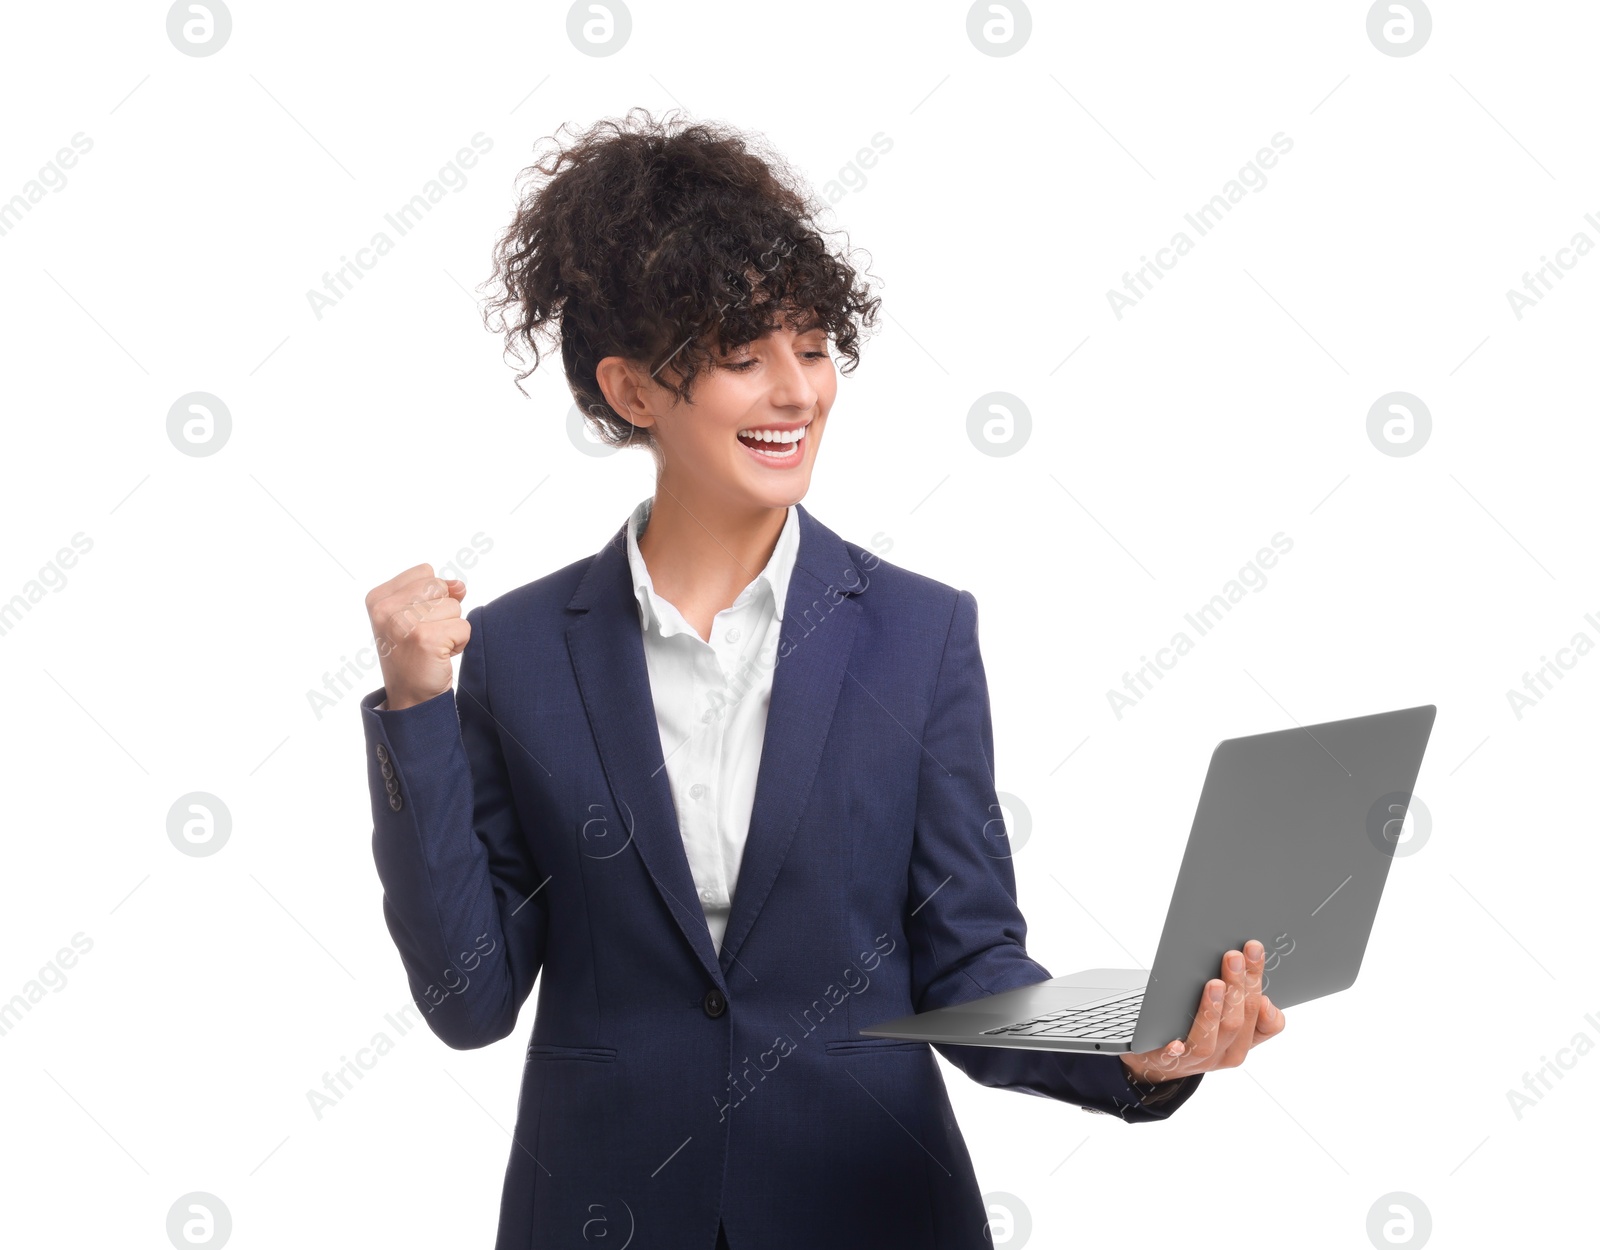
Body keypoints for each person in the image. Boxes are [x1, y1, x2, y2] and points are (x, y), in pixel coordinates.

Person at [359, 108, 1285, 1250]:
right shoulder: (516, 648)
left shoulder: (918, 632)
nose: (795, 391)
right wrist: (414, 709)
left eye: (812, 345)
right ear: (634, 390)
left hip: (875, 1212)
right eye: (744, 357)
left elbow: (971, 964)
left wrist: (1134, 1048)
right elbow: (467, 999)